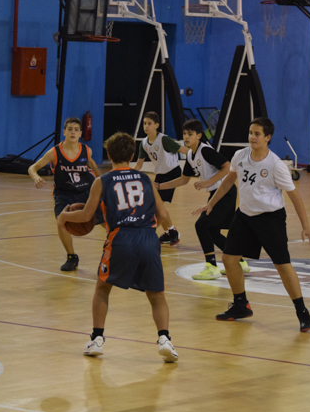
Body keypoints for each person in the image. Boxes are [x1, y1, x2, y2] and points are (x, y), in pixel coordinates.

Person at [58, 131, 178, 362]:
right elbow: (163, 214)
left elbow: (86, 216)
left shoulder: (102, 181)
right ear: (132, 155)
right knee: (157, 294)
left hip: (120, 237)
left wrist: (64, 217)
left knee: (103, 288)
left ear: (109, 155)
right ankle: (165, 340)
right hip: (148, 237)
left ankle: (97, 339)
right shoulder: (145, 179)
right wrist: (146, 228)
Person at [193, 117, 310, 332]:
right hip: (244, 216)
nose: (252, 137)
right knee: (229, 259)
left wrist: (306, 226)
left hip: (270, 219)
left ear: (268, 137)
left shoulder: (275, 165)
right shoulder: (240, 156)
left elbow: (295, 196)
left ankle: (303, 312)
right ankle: (241, 305)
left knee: (282, 265)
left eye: (257, 134)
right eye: (251, 133)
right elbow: (229, 180)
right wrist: (211, 204)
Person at [158, 119, 250, 280]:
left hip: (225, 192)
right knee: (212, 231)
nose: (186, 137)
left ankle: (211, 266)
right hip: (216, 194)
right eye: (184, 134)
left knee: (201, 225)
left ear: (199, 136)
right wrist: (159, 186)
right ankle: (239, 261)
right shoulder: (190, 155)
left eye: (190, 134)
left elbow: (227, 166)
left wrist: (208, 182)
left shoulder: (205, 151)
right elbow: (184, 180)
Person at [28, 117, 103, 272]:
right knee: (61, 221)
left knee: (106, 220)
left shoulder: (86, 150)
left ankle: (116, 251)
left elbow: (92, 165)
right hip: (64, 193)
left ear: (81, 133)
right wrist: (36, 178)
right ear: (64, 132)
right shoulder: (54, 152)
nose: (73, 132)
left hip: (86, 190)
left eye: (76, 130)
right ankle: (71, 257)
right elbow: (32, 168)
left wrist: (103, 182)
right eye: (70, 129)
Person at [134, 111, 188, 246]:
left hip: (172, 173)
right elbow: (139, 164)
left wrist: (200, 154)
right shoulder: (144, 143)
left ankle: (171, 231)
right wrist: (127, 174)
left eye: (149, 123)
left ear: (156, 125)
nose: (146, 126)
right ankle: (169, 232)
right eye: (144, 123)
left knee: (157, 206)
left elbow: (183, 150)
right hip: (159, 175)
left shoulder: (164, 140)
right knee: (157, 206)